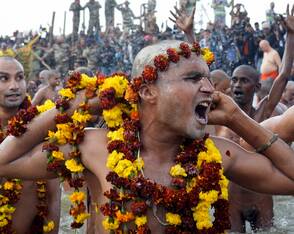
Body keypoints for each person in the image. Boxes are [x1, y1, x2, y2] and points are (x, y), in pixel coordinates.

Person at [2, 37, 294, 233]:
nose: (209, 88)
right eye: (193, 78)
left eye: (207, 78)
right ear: (147, 91)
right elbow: (4, 160)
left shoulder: (216, 153)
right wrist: (71, 105)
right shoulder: (93, 146)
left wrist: (237, 118)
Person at [217, 8, 294, 232]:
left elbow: (283, 76)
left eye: (244, 81)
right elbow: (201, 80)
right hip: (232, 199)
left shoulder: (263, 114)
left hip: (261, 197)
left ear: (257, 87)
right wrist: (190, 35)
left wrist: (290, 36)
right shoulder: (218, 117)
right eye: (234, 81)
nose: (237, 85)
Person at [0, 56, 61, 233]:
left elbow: (53, 197)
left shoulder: (44, 131)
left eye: (20, 77)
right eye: (4, 78)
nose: (14, 86)